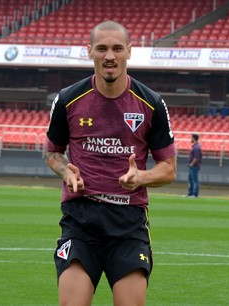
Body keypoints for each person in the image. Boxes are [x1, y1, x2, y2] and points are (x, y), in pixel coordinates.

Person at [45, 20, 177, 306]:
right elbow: (52, 153)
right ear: (89, 51)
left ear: (129, 52)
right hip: (81, 218)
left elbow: (169, 168)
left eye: (117, 48)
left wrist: (140, 177)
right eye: (102, 48)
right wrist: (64, 170)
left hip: (128, 222)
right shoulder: (68, 99)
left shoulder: (151, 102)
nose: (110, 56)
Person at [186, 133, 202, 198]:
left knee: (194, 180)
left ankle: (194, 194)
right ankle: (190, 193)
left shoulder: (196, 147)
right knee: (191, 180)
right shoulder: (195, 146)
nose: (190, 139)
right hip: (192, 166)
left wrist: (192, 164)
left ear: (194, 138)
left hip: (194, 166)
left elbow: (196, 157)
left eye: (191, 137)